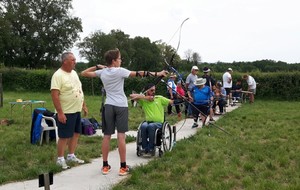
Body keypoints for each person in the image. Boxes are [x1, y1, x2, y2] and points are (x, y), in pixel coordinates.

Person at [80, 48, 167, 176]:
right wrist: (158, 73)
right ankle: (123, 167)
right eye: (119, 58)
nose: (121, 61)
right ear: (114, 61)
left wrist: (97, 66)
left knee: (107, 136)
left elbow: (83, 73)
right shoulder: (120, 71)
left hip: (108, 106)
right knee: (121, 136)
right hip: (121, 106)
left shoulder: (102, 72)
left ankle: (105, 166)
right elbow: (140, 73)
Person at [51, 52, 88, 169]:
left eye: (75, 60)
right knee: (64, 136)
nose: (75, 62)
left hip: (76, 110)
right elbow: (55, 95)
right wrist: (60, 113)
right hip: (66, 111)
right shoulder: (58, 75)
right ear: (64, 61)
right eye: (72, 60)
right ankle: (60, 159)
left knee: (76, 133)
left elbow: (79, 89)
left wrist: (83, 105)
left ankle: (71, 155)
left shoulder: (74, 74)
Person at [130, 83, 173, 156]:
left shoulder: (159, 98)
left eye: (154, 90)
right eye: (151, 90)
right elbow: (131, 96)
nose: (153, 92)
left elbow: (171, 102)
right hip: (148, 122)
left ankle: (151, 148)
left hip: (158, 123)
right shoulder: (143, 101)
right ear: (147, 91)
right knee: (143, 126)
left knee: (151, 126)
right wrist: (146, 98)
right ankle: (144, 148)